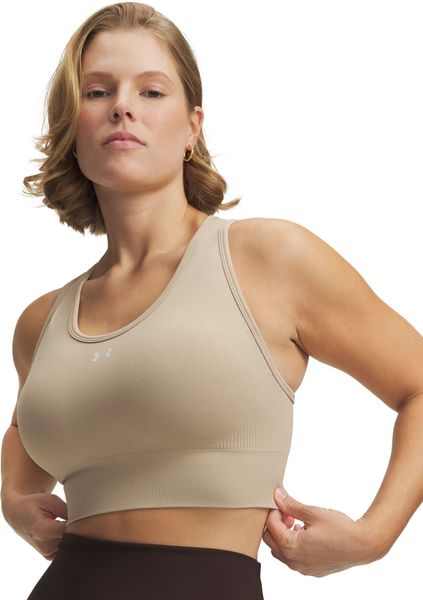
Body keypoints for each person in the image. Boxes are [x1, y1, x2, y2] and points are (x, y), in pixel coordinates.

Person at [1, 2, 423, 599]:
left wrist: (375, 537)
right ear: (73, 130)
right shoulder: (43, 321)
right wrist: (13, 500)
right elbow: (26, 434)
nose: (123, 106)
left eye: (151, 91)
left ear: (192, 128)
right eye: (97, 92)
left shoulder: (268, 259)